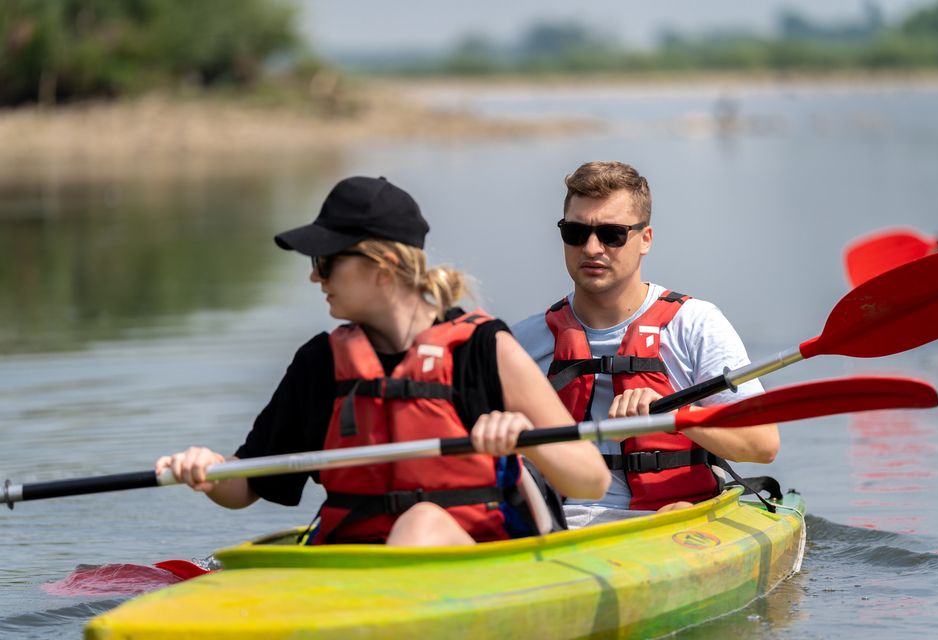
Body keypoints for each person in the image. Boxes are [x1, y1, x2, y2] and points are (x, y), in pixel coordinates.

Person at [156, 176, 609, 547]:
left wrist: (526, 440)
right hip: (357, 564)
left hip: (474, 562)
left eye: (327, 260)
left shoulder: (483, 349)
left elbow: (591, 481)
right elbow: (247, 486)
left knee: (421, 523)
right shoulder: (320, 363)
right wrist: (209, 470)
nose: (315, 275)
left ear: (384, 266)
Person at [512, 161, 779, 529]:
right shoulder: (523, 341)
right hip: (555, 524)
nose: (591, 248)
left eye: (612, 234)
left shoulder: (696, 325)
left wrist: (675, 418)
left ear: (646, 239)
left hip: (668, 521)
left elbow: (762, 445)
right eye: (575, 232)